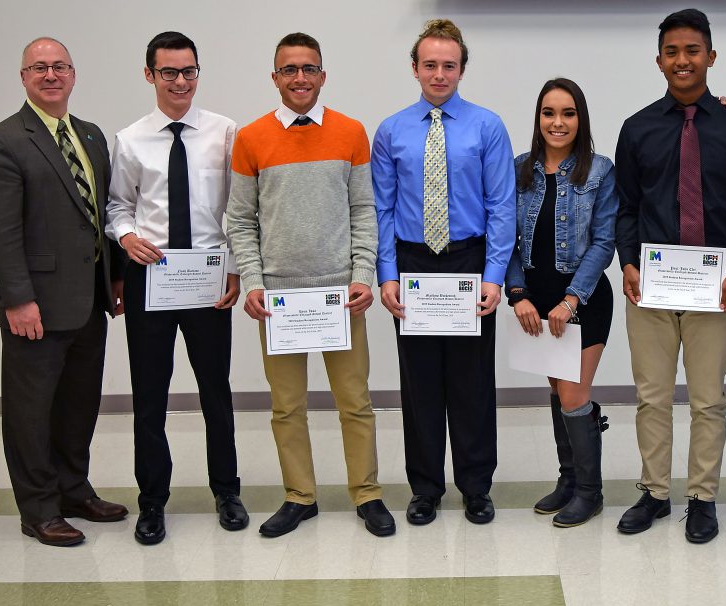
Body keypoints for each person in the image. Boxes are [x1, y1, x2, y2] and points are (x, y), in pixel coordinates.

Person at [225, 32, 394, 538]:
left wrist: (363, 275)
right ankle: (300, 495)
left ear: (323, 75)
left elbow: (365, 210)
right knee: (287, 406)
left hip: (340, 295)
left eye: (309, 69)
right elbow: (240, 219)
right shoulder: (251, 138)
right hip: (279, 299)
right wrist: (253, 282)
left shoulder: (350, 132)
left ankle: (367, 493)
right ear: (275, 77)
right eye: (289, 69)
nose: (300, 78)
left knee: (355, 401)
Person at [0, 37, 128, 546]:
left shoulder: (90, 135)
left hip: (89, 300)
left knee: (78, 404)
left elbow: (104, 215)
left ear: (73, 74)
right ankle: (37, 506)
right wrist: (17, 298)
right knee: (31, 409)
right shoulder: (3, 140)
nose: (50, 75)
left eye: (59, 66)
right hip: (35, 305)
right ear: (23, 77)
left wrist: (118, 276)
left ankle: (72, 488)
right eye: (39, 67)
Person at [614, 9, 726, 544]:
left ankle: (702, 497)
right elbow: (625, 208)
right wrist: (626, 260)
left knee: (707, 399)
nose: (682, 61)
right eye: (672, 52)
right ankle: (654, 492)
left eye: (692, 51)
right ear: (659, 61)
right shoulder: (637, 128)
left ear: (710, 57)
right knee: (651, 397)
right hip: (649, 286)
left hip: (713, 286)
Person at [106, 31, 247, 545]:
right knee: (150, 395)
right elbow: (117, 206)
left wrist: (235, 266)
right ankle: (152, 501)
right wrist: (127, 236)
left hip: (210, 277)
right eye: (169, 72)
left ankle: (227, 492)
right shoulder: (130, 138)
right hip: (154, 278)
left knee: (217, 391)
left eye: (189, 71)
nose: (181, 81)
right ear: (150, 76)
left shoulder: (225, 132)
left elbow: (241, 208)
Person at [373, 19, 515, 526]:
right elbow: (382, 209)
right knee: (420, 383)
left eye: (448, 65)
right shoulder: (391, 130)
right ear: (415, 68)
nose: (439, 74)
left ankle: (476, 486)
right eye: (429, 64)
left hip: (469, 262)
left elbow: (501, 206)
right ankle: (426, 488)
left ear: (461, 69)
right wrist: (386, 274)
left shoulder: (487, 126)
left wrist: (494, 275)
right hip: (412, 263)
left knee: (472, 381)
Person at [506, 78, 617, 527]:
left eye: (568, 113)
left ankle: (590, 492)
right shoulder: (518, 169)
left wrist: (571, 299)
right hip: (535, 301)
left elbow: (604, 240)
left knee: (574, 395)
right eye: (549, 113)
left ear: (580, 119)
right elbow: (506, 240)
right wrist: (518, 294)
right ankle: (569, 480)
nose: (558, 122)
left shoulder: (600, 171)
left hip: (584, 299)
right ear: (538, 119)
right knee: (556, 392)